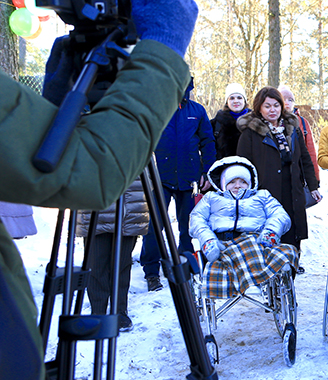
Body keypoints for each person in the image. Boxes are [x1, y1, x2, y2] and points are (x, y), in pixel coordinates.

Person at [0, 0, 198, 377]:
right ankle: (102, 305)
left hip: (132, 207)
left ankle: (117, 307)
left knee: (121, 260)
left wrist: (52, 101)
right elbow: (87, 167)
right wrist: (166, 44)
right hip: (99, 211)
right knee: (99, 262)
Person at [140, 80, 216, 292]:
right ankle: (151, 271)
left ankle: (186, 263)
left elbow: (208, 143)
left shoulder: (197, 110)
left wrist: (207, 172)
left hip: (189, 178)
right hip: (159, 179)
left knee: (188, 225)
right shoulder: (155, 110)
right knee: (155, 226)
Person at [236, 87, 321, 274]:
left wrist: (313, 185)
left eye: (276, 105)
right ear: (259, 108)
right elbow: (243, 167)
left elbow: (305, 159)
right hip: (266, 195)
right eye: (267, 106)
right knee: (270, 240)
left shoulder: (293, 129)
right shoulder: (250, 134)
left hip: (292, 193)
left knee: (292, 240)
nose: (272, 110)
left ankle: (288, 287)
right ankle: (272, 288)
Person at [189, 156, 298, 298]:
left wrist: (270, 231)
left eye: (243, 181)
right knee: (245, 248)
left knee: (288, 249)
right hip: (222, 243)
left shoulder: (262, 196)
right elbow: (196, 219)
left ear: (251, 183)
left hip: (257, 239)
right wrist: (208, 240)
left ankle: (268, 271)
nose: (237, 186)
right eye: (232, 182)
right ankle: (257, 278)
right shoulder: (211, 198)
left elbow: (280, 215)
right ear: (222, 184)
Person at [76, 179, 148, 332]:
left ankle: (120, 310)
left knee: (121, 263)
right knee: (95, 263)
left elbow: (147, 174)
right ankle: (98, 311)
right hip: (95, 203)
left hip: (128, 205)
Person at [278, 85, 320, 183]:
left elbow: (310, 152)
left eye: (290, 100)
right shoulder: (271, 122)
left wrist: (315, 178)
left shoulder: (302, 122)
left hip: (298, 175)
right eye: (283, 99)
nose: (287, 102)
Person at [210, 83, 251, 159]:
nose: (236, 101)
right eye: (231, 98)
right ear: (227, 102)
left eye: (239, 98)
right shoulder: (215, 124)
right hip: (224, 168)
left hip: (250, 168)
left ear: (245, 101)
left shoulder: (255, 122)